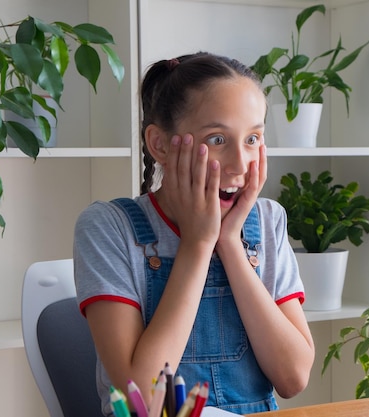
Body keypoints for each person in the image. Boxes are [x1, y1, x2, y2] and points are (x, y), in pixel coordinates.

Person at [73, 51, 315, 416]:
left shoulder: (266, 220)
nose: (239, 163)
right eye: (218, 140)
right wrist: (199, 244)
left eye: (252, 139)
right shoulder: (109, 227)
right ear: (160, 145)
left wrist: (230, 244)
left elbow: (293, 377)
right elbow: (145, 402)